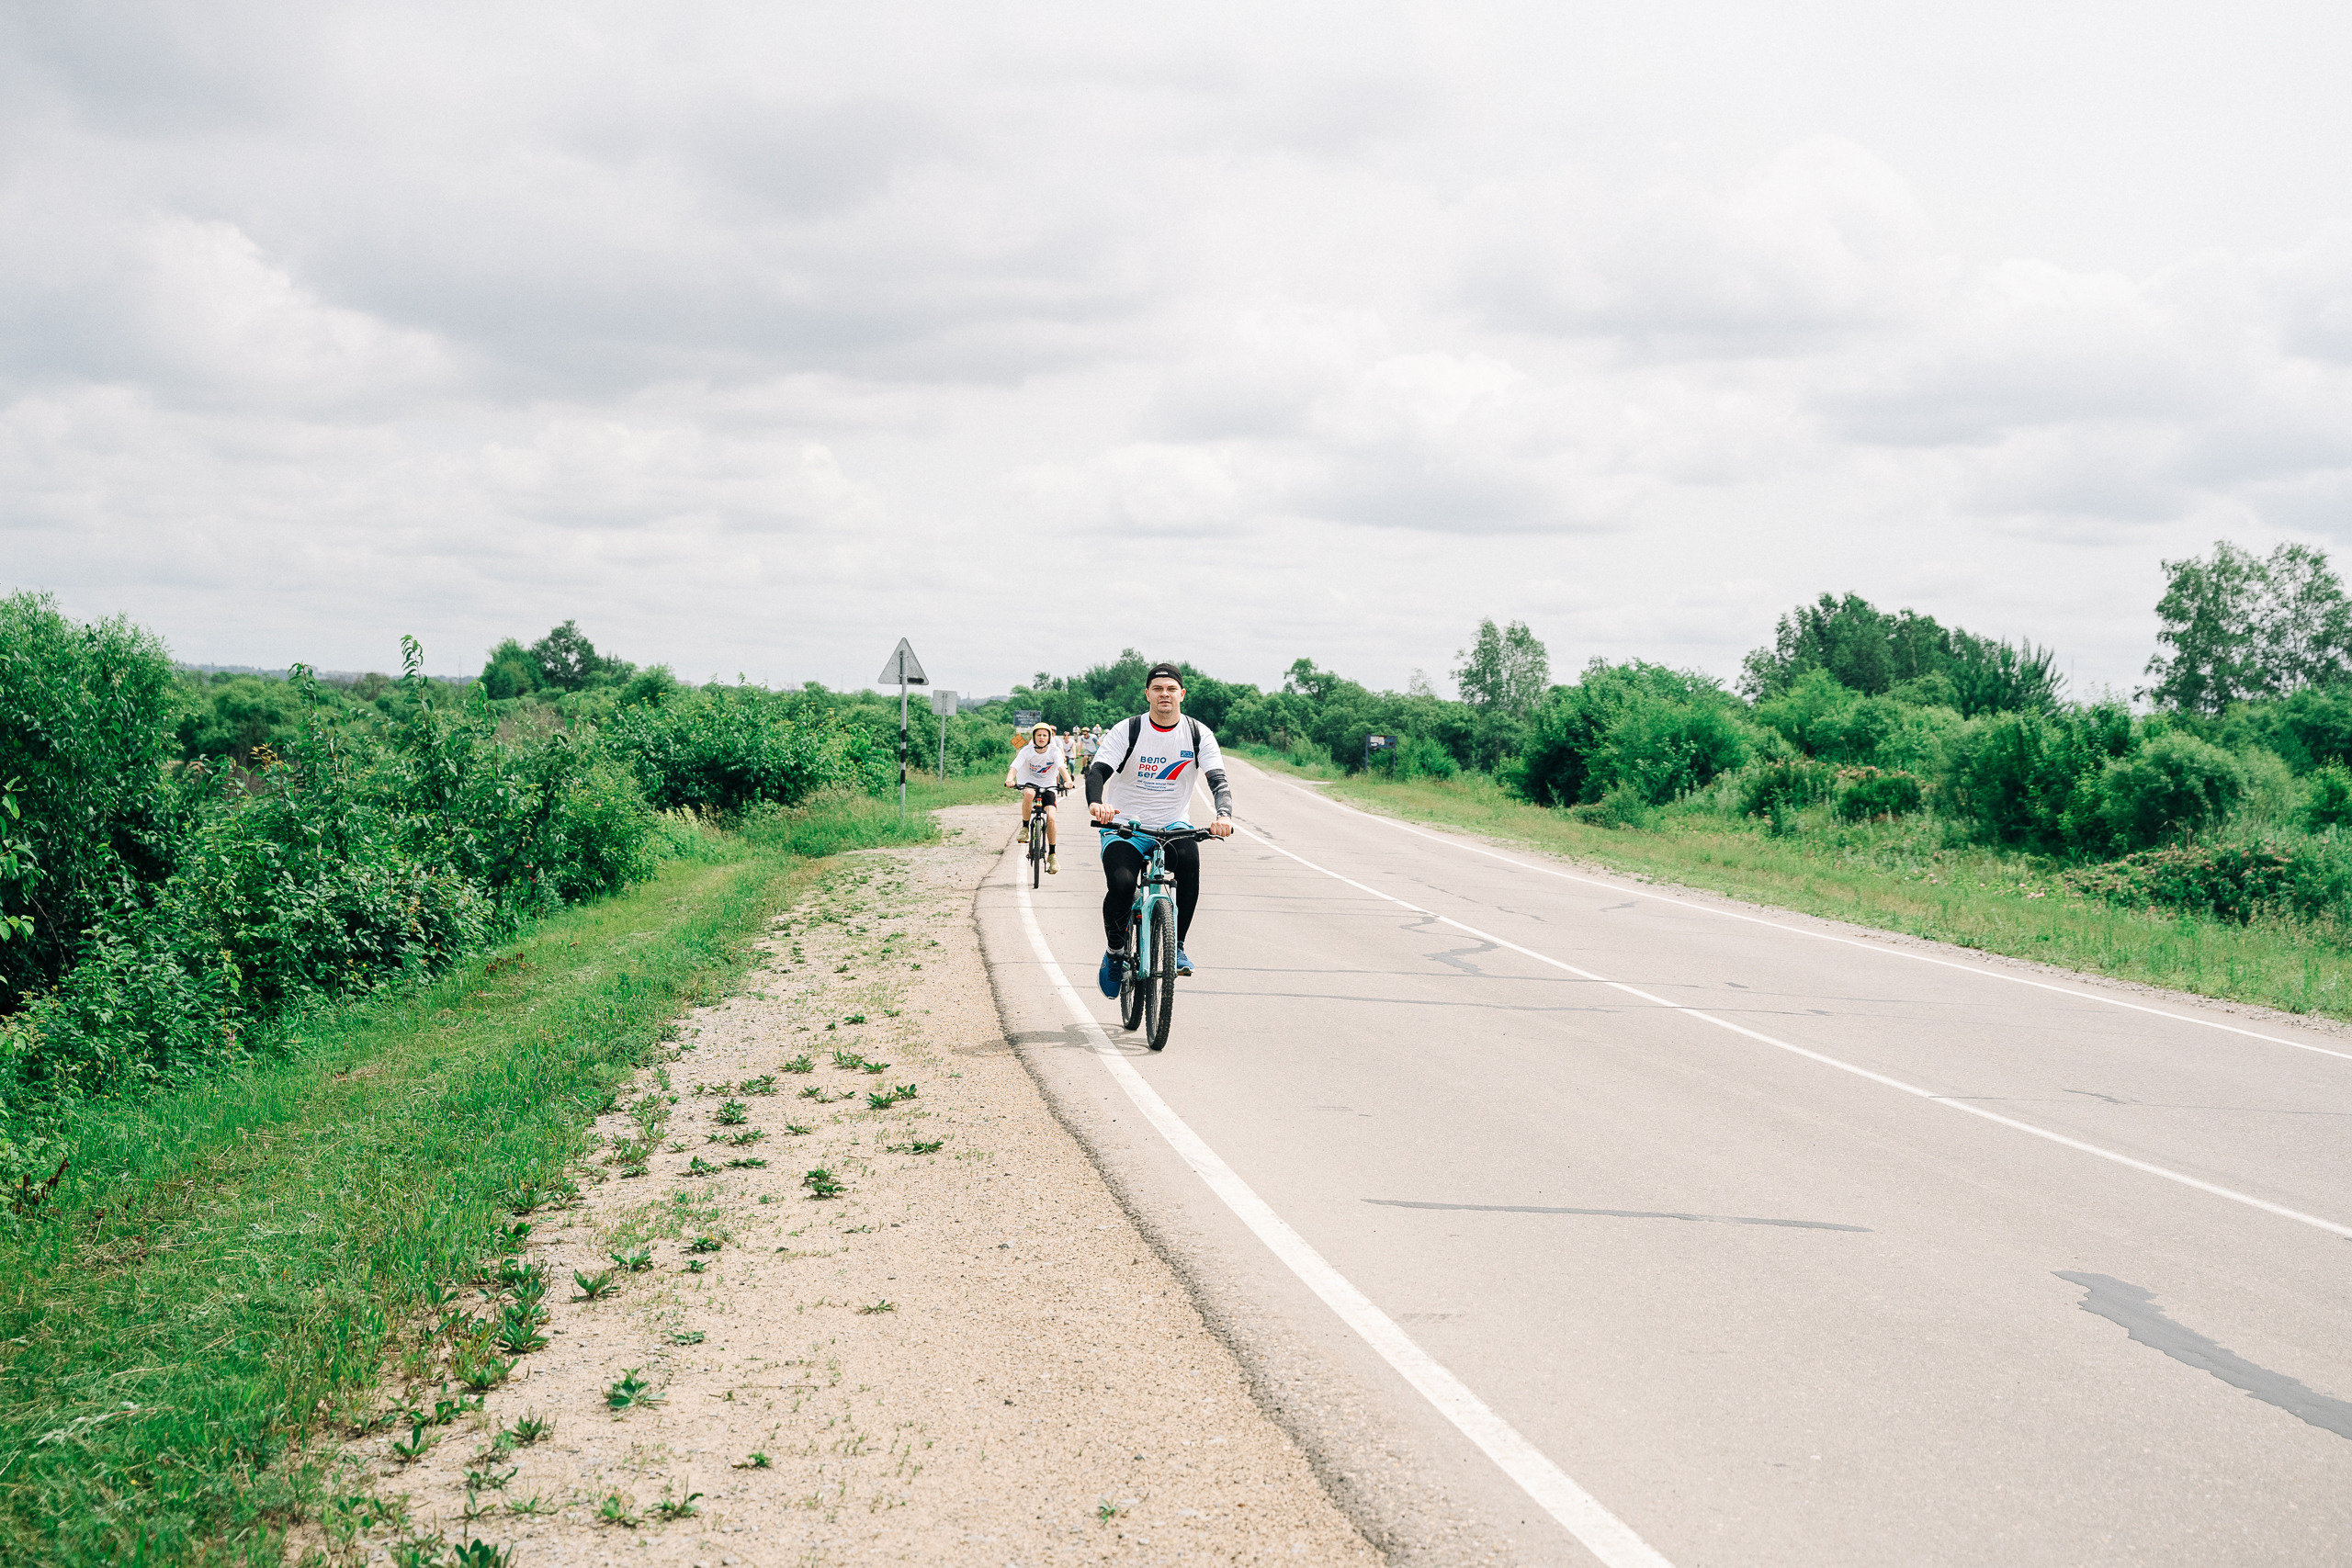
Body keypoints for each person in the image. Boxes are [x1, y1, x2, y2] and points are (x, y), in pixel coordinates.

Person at [1086, 664, 1234, 993]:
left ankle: (1177, 945)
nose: (1164, 694)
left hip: (1173, 825)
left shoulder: (1197, 733)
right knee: (1123, 884)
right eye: (1157, 689)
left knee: (1191, 864)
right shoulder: (1128, 729)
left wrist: (1223, 815)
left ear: (1181, 694)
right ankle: (1115, 952)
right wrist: (1097, 803)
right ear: (1147, 694)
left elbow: (1218, 781)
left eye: (1171, 689)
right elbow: (1097, 772)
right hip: (1125, 825)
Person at [1005, 722, 1074, 872]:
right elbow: (1014, 766)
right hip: (1029, 782)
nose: (1041, 738)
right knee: (1029, 793)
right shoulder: (1026, 751)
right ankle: (1025, 828)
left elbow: (1062, 767)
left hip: (1049, 785)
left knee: (1051, 818)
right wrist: (1010, 779)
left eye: (1044, 735)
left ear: (1049, 737)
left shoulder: (1054, 751)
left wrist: (1068, 780)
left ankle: (1053, 855)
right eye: (1039, 735)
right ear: (1034, 737)